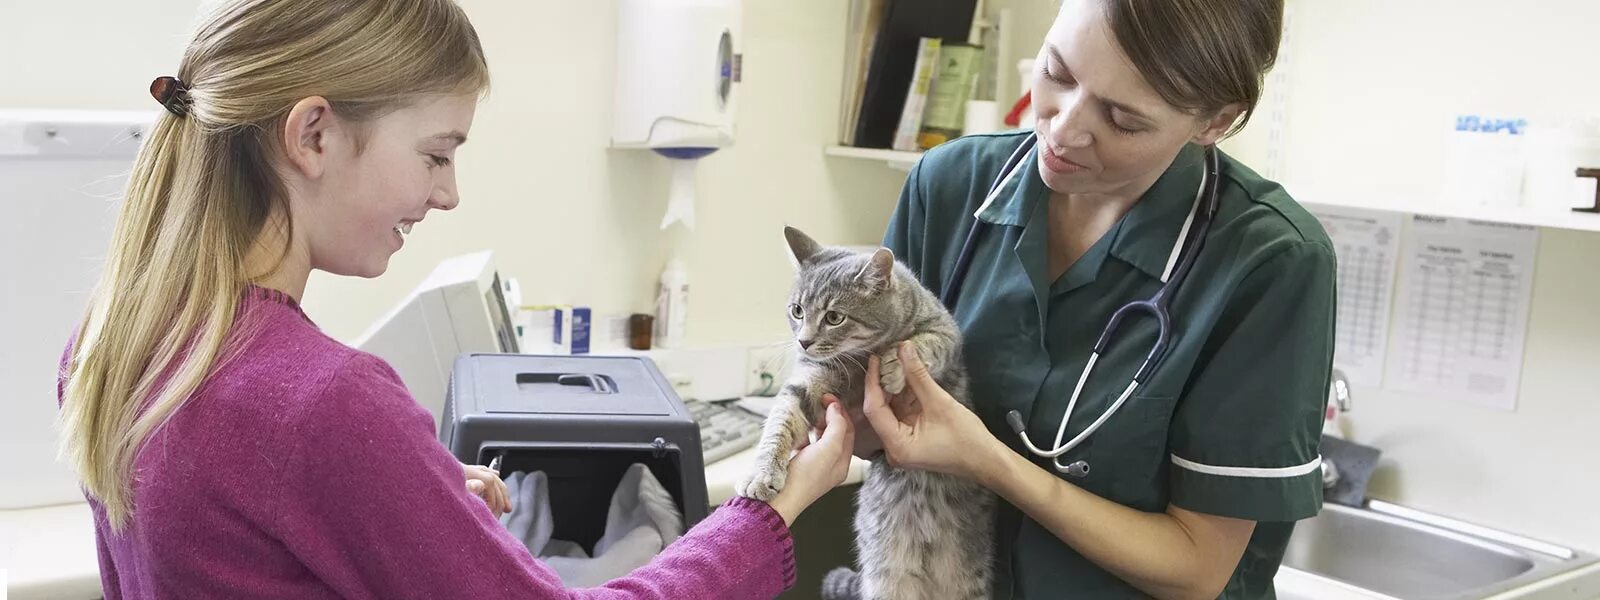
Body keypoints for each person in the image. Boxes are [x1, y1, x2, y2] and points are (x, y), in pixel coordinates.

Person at [53, 1, 853, 598]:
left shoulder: (116, 343)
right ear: (313, 136)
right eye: (436, 154)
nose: (449, 194)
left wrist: (403, 500)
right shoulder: (324, 404)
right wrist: (773, 507)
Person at [840, 0, 1335, 598]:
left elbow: (1198, 569)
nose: (1064, 128)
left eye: (1123, 119)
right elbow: (874, 425)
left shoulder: (1270, 261)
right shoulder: (948, 188)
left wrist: (989, 461)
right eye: (1057, 72)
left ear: (1215, 121)